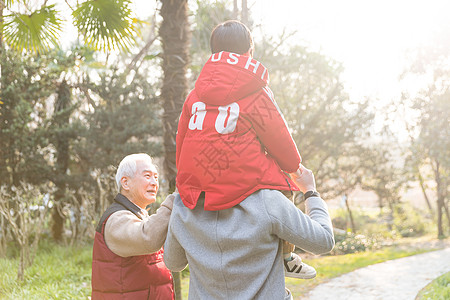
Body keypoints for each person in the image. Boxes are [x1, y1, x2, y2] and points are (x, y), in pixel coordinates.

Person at [175, 19, 315, 279]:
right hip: (239, 179)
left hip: (195, 184)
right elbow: (279, 140)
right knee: (285, 185)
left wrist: (185, 178)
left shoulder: (194, 95)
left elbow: (181, 141)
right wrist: (294, 166)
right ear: (249, 52)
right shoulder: (257, 92)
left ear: (213, 54)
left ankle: (185, 251)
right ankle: (286, 256)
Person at [164, 163, 334, 299]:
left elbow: (174, 263)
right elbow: (323, 241)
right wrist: (310, 191)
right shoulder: (267, 200)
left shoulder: (183, 205)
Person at [91, 153, 175, 299]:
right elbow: (149, 238)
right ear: (125, 183)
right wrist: (173, 201)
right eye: (147, 176)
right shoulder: (117, 219)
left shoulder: (140, 216)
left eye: (156, 177)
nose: (154, 182)